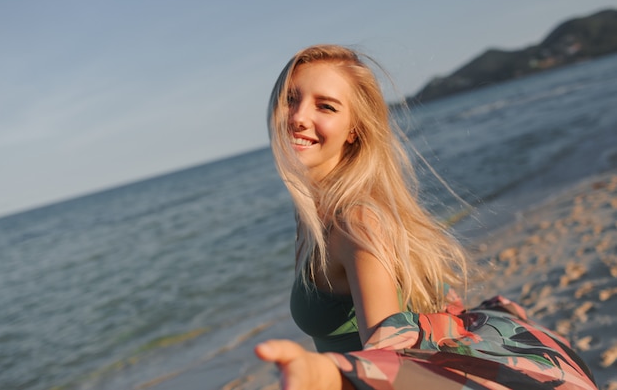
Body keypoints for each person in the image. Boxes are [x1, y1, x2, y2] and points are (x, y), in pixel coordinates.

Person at [255, 44, 597, 390]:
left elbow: (392, 360)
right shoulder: (314, 217)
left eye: (325, 106)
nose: (298, 116)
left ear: (353, 130)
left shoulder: (355, 221)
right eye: (290, 99)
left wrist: (323, 377)